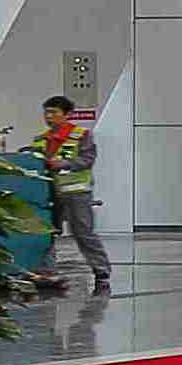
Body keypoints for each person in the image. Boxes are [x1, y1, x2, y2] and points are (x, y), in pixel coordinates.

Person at [28, 93, 114, 298]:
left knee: (83, 233)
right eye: (46, 112)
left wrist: (63, 164)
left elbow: (86, 160)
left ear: (67, 114)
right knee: (46, 233)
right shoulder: (40, 140)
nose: (49, 117)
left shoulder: (81, 135)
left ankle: (101, 271)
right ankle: (45, 272)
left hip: (76, 192)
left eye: (53, 112)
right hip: (49, 193)